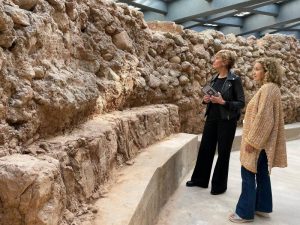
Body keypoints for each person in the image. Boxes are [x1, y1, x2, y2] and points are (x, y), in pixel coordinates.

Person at [229, 57, 287, 223]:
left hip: (258, 141)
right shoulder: (272, 88)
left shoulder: (268, 89)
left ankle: (244, 213)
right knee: (261, 173)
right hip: (264, 142)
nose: (254, 72)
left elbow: (264, 119)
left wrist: (252, 141)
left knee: (247, 173)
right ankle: (262, 206)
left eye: (257, 69)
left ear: (267, 72)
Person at [186, 49, 245, 195]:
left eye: (217, 58)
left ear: (224, 62)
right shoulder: (214, 78)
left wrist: (223, 102)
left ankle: (219, 186)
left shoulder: (234, 80)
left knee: (223, 153)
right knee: (205, 149)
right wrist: (206, 100)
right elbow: (210, 98)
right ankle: (200, 180)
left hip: (227, 121)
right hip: (212, 118)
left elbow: (241, 103)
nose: (214, 60)